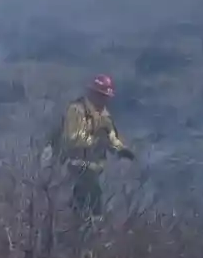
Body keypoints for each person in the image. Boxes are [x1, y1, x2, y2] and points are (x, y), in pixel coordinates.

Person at [44, 74, 135, 220]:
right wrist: (96, 141)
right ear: (92, 93)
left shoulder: (104, 115)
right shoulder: (76, 110)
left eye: (105, 96)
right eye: (100, 95)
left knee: (86, 200)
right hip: (70, 162)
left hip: (92, 167)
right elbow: (72, 138)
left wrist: (121, 149)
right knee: (91, 197)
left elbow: (110, 137)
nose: (103, 100)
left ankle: (80, 225)